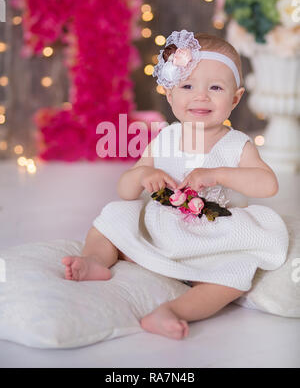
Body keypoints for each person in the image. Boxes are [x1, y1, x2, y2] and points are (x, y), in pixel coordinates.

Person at [62, 30, 289, 340]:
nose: (201, 96)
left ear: (235, 98)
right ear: (170, 96)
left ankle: (174, 311)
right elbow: (125, 190)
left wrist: (218, 174)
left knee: (236, 275)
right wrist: (142, 176)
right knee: (113, 216)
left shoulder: (236, 144)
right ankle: (96, 261)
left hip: (212, 236)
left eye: (215, 87)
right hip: (161, 225)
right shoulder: (164, 138)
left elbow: (268, 184)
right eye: (187, 86)